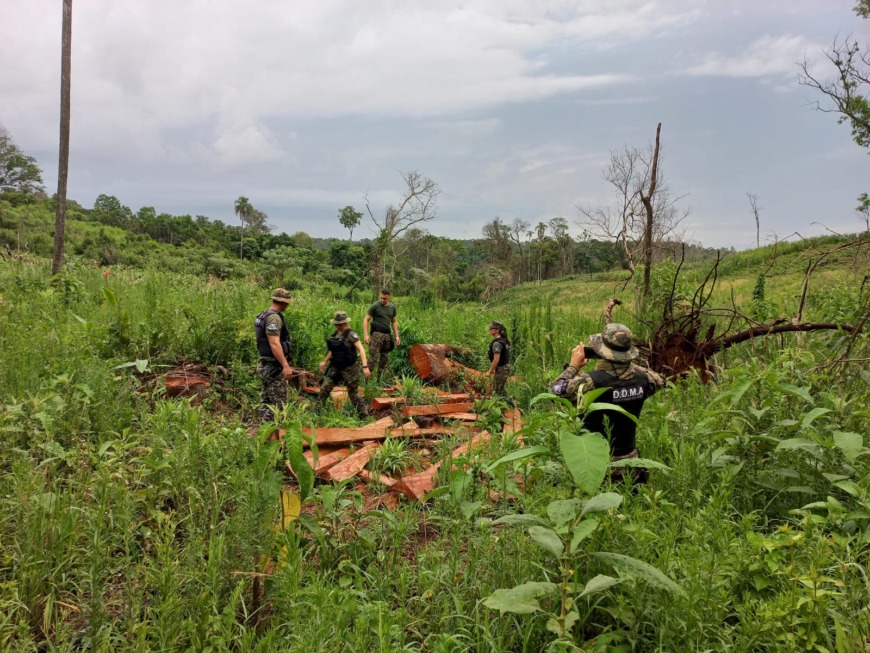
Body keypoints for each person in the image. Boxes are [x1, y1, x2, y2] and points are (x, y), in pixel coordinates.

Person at [550, 323, 666, 484]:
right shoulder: (645, 379)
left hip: (598, 465)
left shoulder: (592, 381)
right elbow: (660, 379)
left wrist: (573, 366)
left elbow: (557, 389)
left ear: (603, 353)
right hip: (631, 463)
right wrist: (625, 363)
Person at [318, 311, 371, 418]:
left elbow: (361, 349)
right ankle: (317, 413)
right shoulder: (335, 335)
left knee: (353, 394)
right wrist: (324, 361)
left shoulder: (351, 334)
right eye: (336, 324)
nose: (338, 326)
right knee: (324, 388)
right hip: (335, 367)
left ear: (345, 323)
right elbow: (333, 351)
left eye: (340, 324)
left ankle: (364, 416)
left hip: (349, 368)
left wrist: (365, 367)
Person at [254, 288, 294, 422]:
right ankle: (274, 435)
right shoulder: (274, 318)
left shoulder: (263, 315)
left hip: (264, 365)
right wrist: (285, 365)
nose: (288, 305)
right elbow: (274, 344)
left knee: (266, 401)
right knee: (279, 406)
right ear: (282, 302)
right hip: (273, 367)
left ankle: (264, 432)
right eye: (287, 303)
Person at [363, 288, 401, 382]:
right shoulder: (375, 306)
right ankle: (366, 381)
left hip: (387, 335)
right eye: (381, 298)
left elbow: (394, 322)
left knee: (384, 359)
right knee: (373, 359)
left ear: (389, 297)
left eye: (385, 298)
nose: (382, 300)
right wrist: (366, 335)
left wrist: (396, 336)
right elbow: (366, 319)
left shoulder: (392, 307)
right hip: (376, 335)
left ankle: (379, 381)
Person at [485, 321, 511, 399]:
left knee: (497, 390)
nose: (489, 330)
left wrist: (490, 371)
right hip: (504, 368)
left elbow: (496, 360)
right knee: (501, 389)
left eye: (491, 328)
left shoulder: (497, 343)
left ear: (497, 330)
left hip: (502, 369)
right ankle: (508, 404)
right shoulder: (503, 340)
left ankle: (506, 406)